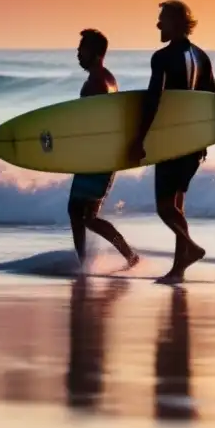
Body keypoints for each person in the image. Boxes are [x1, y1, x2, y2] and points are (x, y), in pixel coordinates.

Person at [128, 0, 215, 283]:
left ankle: (190, 248)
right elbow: (214, 100)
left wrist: (139, 139)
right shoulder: (201, 56)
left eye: (162, 20)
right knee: (177, 205)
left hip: (172, 142)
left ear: (177, 24)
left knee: (165, 207)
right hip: (192, 143)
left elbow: (154, 99)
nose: (158, 25)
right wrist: (207, 139)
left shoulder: (162, 57)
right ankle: (178, 269)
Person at [68, 29, 139, 270]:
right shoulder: (108, 79)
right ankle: (128, 257)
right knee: (87, 216)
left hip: (97, 157)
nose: (78, 53)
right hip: (104, 155)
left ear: (96, 53)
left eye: (82, 48)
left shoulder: (96, 83)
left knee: (78, 212)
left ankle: (84, 264)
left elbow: (90, 122)